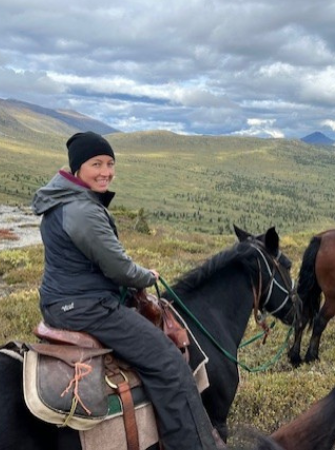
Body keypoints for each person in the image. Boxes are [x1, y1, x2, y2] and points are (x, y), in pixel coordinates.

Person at [30, 131, 221, 450]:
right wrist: (146, 276)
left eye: (110, 163)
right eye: (96, 164)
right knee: (169, 363)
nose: (106, 171)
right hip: (89, 308)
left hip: (60, 301)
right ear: (77, 168)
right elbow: (118, 268)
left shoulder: (59, 200)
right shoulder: (83, 210)